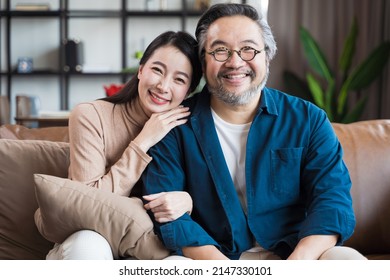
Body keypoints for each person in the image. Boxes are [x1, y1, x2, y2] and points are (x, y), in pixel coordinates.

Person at [142, 3, 366, 260]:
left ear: (267, 55)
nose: (235, 62)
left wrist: (296, 266)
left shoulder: (308, 119)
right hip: (211, 256)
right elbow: (168, 216)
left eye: (248, 49)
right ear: (203, 62)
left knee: (349, 262)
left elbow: (332, 200)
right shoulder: (174, 125)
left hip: (295, 253)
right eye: (220, 51)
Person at [46, 31, 202, 260]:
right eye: (157, 70)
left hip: (150, 246)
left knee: (180, 263)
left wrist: (189, 201)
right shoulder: (91, 115)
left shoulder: (187, 129)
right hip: (90, 237)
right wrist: (143, 141)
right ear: (140, 70)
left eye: (179, 79)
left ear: (188, 91)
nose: (163, 86)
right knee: (89, 246)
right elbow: (88, 205)